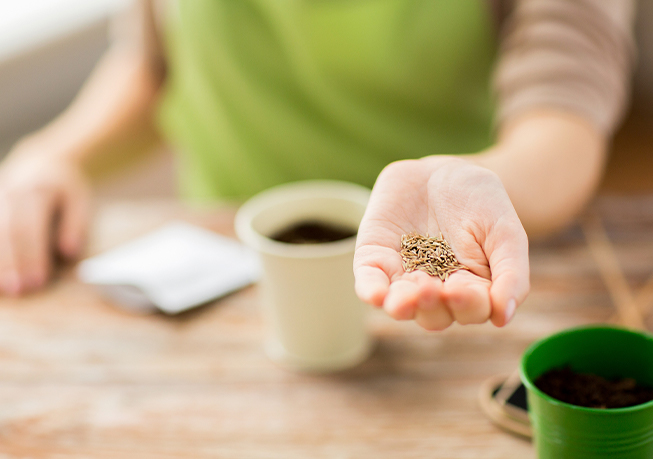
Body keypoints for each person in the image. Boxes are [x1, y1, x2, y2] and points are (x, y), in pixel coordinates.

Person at [0, 0, 636, 332]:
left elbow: (562, 122)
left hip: (435, 282)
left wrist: (480, 182)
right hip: (223, 277)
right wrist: (52, 152)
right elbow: (152, 63)